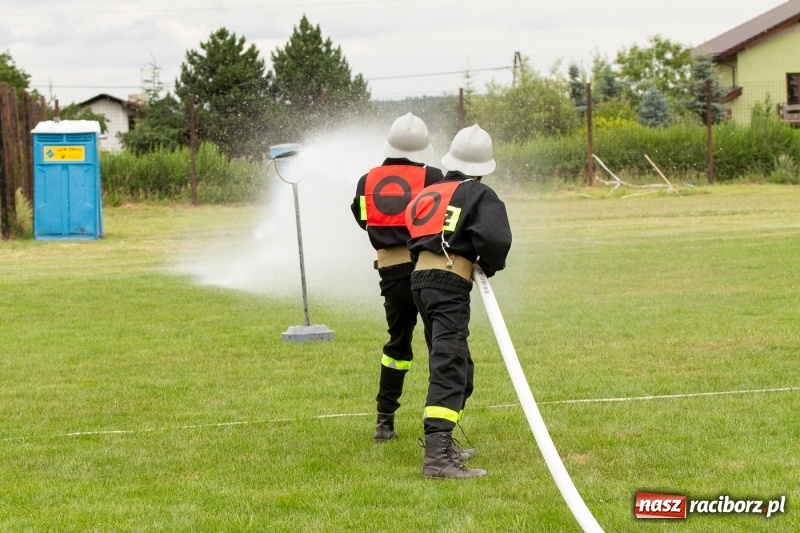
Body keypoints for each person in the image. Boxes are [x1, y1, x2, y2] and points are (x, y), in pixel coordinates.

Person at [404, 124, 512, 479]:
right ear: (482, 168)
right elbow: (495, 240)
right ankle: (436, 458)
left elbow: (413, 233)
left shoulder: (429, 192)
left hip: (420, 281)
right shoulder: (478, 194)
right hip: (449, 282)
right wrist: (488, 264)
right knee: (449, 365)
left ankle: (443, 444)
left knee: (459, 366)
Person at [350, 113, 445, 444]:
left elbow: (363, 219)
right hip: (429, 269)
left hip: (391, 273)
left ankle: (384, 422)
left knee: (397, 345)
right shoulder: (432, 176)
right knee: (440, 347)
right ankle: (439, 429)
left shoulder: (366, 180)